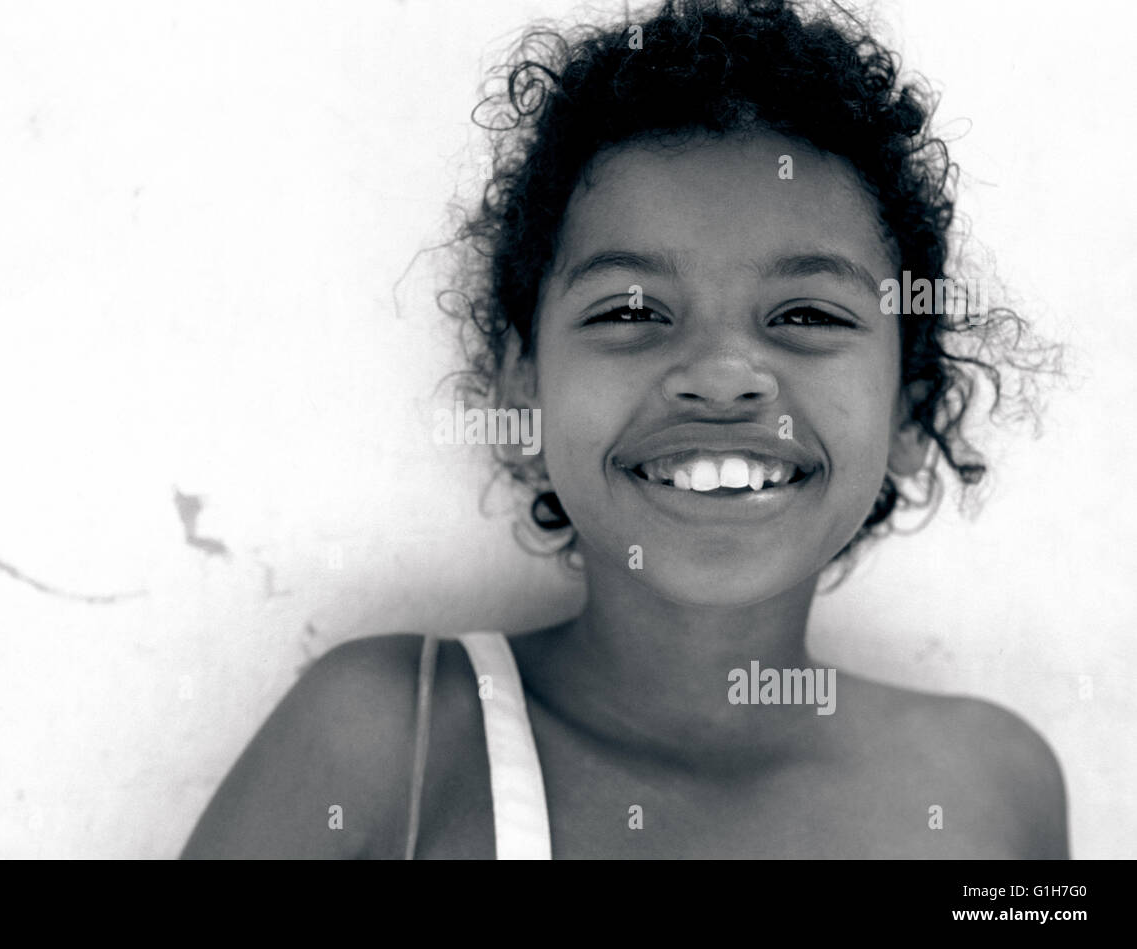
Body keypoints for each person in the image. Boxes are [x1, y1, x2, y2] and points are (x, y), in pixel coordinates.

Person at [182, 0, 1067, 859]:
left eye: (805, 313)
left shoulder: (994, 788)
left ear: (910, 411)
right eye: (631, 309)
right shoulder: (392, 740)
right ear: (522, 392)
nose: (723, 375)